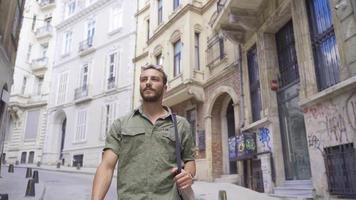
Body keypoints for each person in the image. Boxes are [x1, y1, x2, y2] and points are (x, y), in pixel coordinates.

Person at [91, 64, 196, 200]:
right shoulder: (121, 124)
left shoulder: (181, 125)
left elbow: (190, 160)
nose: (148, 82)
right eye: (143, 79)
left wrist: (188, 174)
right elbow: (106, 167)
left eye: (154, 79)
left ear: (165, 88)